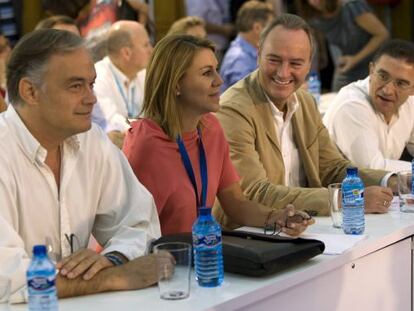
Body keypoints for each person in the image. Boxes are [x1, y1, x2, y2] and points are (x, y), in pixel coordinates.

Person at [0, 29, 162, 301]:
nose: (91, 98)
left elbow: (139, 221)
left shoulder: (90, 140)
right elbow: (6, 277)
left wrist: (115, 258)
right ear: (29, 91)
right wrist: (113, 277)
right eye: (75, 86)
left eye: (91, 84)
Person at [214, 14, 395, 228]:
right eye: (274, 60)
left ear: (309, 65)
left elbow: (332, 168)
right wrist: (346, 199)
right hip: (252, 236)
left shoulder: (305, 101)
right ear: (258, 54)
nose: (283, 72)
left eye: (295, 63)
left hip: (305, 229)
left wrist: (393, 181)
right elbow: (253, 193)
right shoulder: (233, 110)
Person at [123, 34, 314, 236]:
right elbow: (133, 233)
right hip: (162, 260)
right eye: (207, 73)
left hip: (202, 255)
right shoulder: (146, 144)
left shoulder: (210, 128)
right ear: (176, 84)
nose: (219, 80)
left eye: (216, 70)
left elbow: (235, 204)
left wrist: (277, 218)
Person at [323, 39, 414, 172]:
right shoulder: (351, 106)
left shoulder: (410, 102)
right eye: (383, 76)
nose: (387, 90)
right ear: (371, 70)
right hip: (338, 190)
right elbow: (372, 169)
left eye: (400, 83)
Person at [296, 0, 389, 91]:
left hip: (371, 63)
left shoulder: (351, 6)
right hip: (347, 64)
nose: (313, 1)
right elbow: (311, 47)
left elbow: (382, 34)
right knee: (336, 99)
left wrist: (355, 59)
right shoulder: (314, 16)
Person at [93, 20, 153, 148]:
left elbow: (159, 114)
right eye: (146, 45)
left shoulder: (144, 74)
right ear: (126, 53)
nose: (151, 50)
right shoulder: (98, 78)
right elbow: (111, 124)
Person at [220, 0, 274, 93]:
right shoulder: (240, 60)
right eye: (271, 27)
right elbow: (247, 100)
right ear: (257, 28)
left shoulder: (250, 52)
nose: (274, 32)